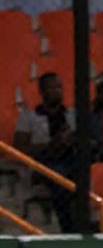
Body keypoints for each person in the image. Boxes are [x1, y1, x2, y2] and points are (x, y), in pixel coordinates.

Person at [13, 72, 77, 232]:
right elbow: (19, 149)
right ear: (42, 92)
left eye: (59, 87)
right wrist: (50, 145)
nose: (57, 91)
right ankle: (68, 228)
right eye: (52, 88)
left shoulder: (72, 115)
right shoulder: (30, 116)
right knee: (60, 178)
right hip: (44, 163)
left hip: (72, 158)